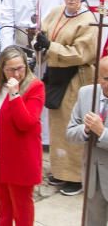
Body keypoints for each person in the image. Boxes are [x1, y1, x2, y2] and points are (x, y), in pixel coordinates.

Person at [34, 0, 98, 196]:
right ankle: (60, 170)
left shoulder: (89, 20)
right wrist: (39, 43)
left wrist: (50, 46)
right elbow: (42, 32)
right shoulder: (55, 11)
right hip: (55, 73)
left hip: (76, 78)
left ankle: (76, 176)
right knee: (57, 125)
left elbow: (81, 53)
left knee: (73, 125)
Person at [0, 46, 45, 226]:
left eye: (20, 68)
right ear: (2, 69)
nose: (16, 73)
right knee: (2, 206)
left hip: (20, 158)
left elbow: (26, 123)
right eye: (11, 69)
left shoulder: (35, 87)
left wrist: (15, 94)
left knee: (21, 208)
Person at [66, 55, 108, 226]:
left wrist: (102, 132)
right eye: (107, 78)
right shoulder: (86, 94)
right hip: (94, 176)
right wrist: (85, 129)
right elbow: (69, 133)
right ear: (98, 78)